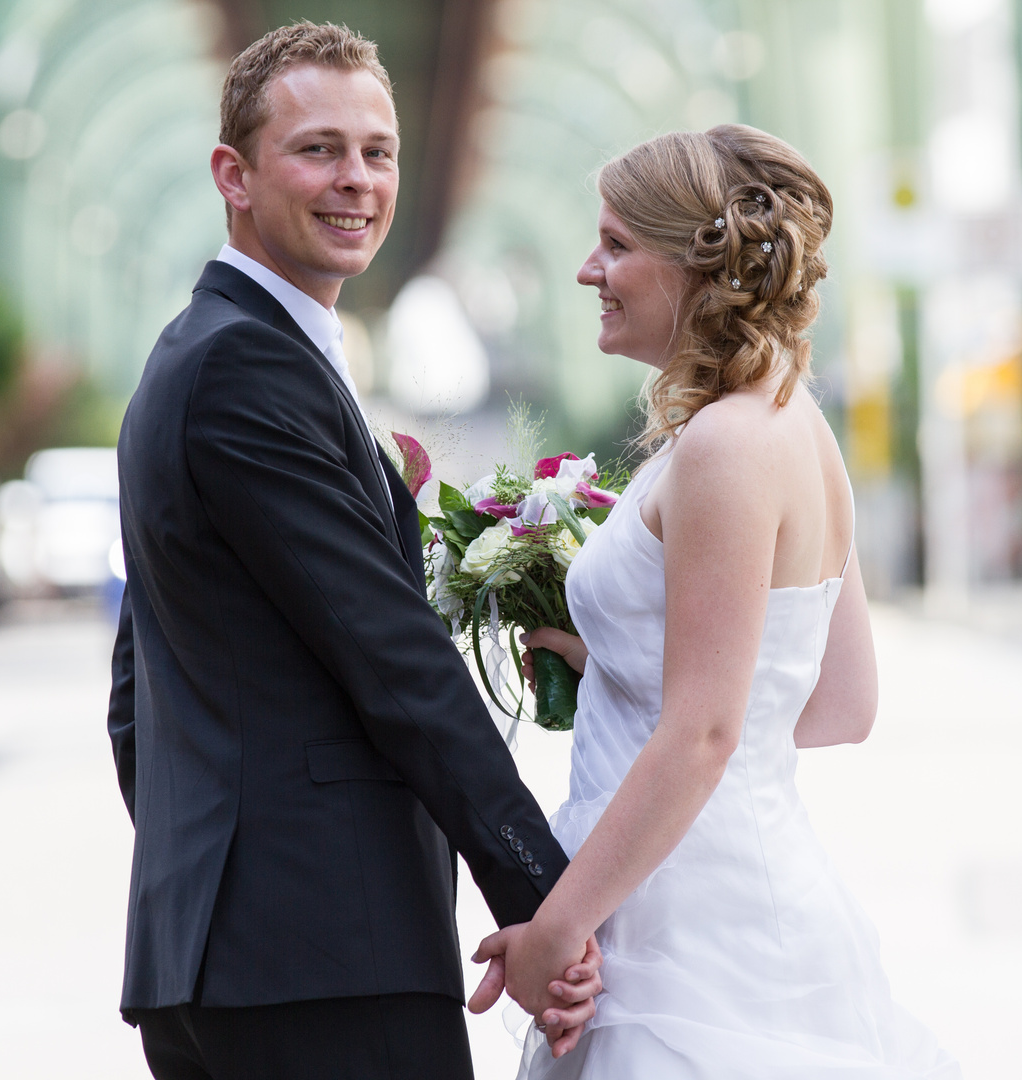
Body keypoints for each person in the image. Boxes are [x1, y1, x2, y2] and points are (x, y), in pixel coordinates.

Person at [106, 23, 599, 1080]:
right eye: (319, 148)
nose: (358, 181)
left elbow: (135, 693)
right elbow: (394, 660)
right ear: (232, 175)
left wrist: (210, 867)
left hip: (242, 961)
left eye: (380, 152)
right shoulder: (246, 368)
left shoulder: (198, 355)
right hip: (321, 962)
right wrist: (547, 904)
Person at [469, 126, 961, 1077]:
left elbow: (705, 733)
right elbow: (835, 705)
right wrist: (608, 661)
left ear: (697, 263)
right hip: (752, 903)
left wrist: (556, 931)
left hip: (681, 927)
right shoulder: (795, 425)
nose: (587, 270)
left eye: (615, 244)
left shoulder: (725, 448)